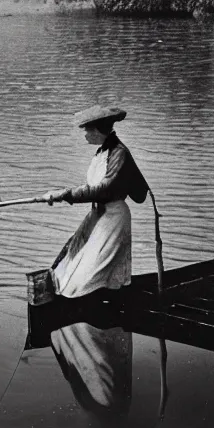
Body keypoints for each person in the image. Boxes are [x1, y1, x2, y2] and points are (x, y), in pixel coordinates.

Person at [43, 105, 148, 299]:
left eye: (87, 130)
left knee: (93, 272)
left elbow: (104, 189)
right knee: (71, 263)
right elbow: (92, 187)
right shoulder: (101, 153)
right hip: (98, 214)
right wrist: (63, 194)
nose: (85, 135)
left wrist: (65, 194)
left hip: (114, 217)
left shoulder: (119, 153)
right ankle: (93, 300)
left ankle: (99, 307)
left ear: (98, 130)